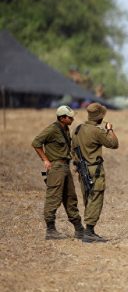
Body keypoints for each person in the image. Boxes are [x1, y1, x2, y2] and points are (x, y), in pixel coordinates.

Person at [31, 105, 85, 240]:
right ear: (62, 118)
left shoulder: (65, 129)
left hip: (65, 166)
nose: (72, 119)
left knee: (71, 197)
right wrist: (45, 160)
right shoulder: (52, 129)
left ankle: (79, 228)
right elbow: (36, 143)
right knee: (53, 198)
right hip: (56, 168)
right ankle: (50, 230)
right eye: (70, 117)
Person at [71, 103, 119, 243]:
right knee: (95, 198)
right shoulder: (96, 131)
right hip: (94, 170)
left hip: (82, 169)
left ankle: (88, 230)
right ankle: (89, 231)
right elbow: (114, 144)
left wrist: (76, 164)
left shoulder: (77, 129)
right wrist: (109, 129)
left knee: (88, 198)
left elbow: (72, 149)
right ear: (100, 117)